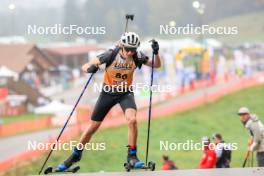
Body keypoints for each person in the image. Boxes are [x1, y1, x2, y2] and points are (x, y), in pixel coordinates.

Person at [57, 32, 161, 171]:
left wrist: (156, 52)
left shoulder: (137, 56)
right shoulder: (110, 54)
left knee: (132, 120)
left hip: (125, 93)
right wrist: (90, 68)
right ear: (122, 46)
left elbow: (156, 65)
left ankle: (132, 156)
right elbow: (85, 65)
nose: (130, 52)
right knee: (92, 128)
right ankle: (75, 155)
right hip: (107, 93)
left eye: (133, 49)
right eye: (128, 49)